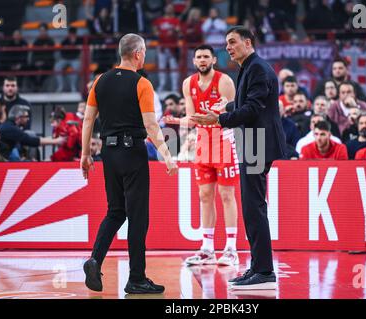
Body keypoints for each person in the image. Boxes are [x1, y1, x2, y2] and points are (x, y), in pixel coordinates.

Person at [190, 26, 288, 290]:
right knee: (252, 206)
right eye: (226, 43)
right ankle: (257, 267)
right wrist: (228, 107)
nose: (228, 47)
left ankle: (264, 271)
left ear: (248, 42)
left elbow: (254, 109)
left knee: (254, 207)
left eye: (232, 42)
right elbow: (247, 103)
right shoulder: (249, 67)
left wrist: (219, 118)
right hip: (253, 142)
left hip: (257, 143)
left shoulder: (256, 68)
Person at [81, 33, 178, 295]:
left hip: (108, 154)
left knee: (115, 211)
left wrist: (85, 155)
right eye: (144, 52)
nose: (144, 56)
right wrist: (166, 155)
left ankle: (94, 260)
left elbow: (88, 120)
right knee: (137, 217)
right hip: (132, 152)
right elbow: (150, 124)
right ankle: (136, 278)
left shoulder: (99, 81)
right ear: (137, 53)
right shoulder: (142, 83)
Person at [165, 44, 240, 266]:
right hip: (202, 143)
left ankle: (231, 249)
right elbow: (192, 118)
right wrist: (177, 121)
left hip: (224, 141)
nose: (202, 60)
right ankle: (207, 250)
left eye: (206, 56)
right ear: (194, 61)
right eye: (198, 57)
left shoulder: (224, 81)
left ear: (214, 60)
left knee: (227, 195)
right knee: (205, 195)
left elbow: (232, 114)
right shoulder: (188, 83)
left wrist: (212, 117)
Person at [55, 27, 83, 92]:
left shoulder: (79, 40)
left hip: (75, 59)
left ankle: (73, 86)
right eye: (71, 34)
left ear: (76, 34)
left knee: (76, 67)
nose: (72, 35)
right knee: (57, 66)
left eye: (73, 34)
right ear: (69, 34)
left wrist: (74, 47)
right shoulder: (65, 41)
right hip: (65, 59)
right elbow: (61, 52)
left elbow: (81, 51)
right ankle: (60, 86)